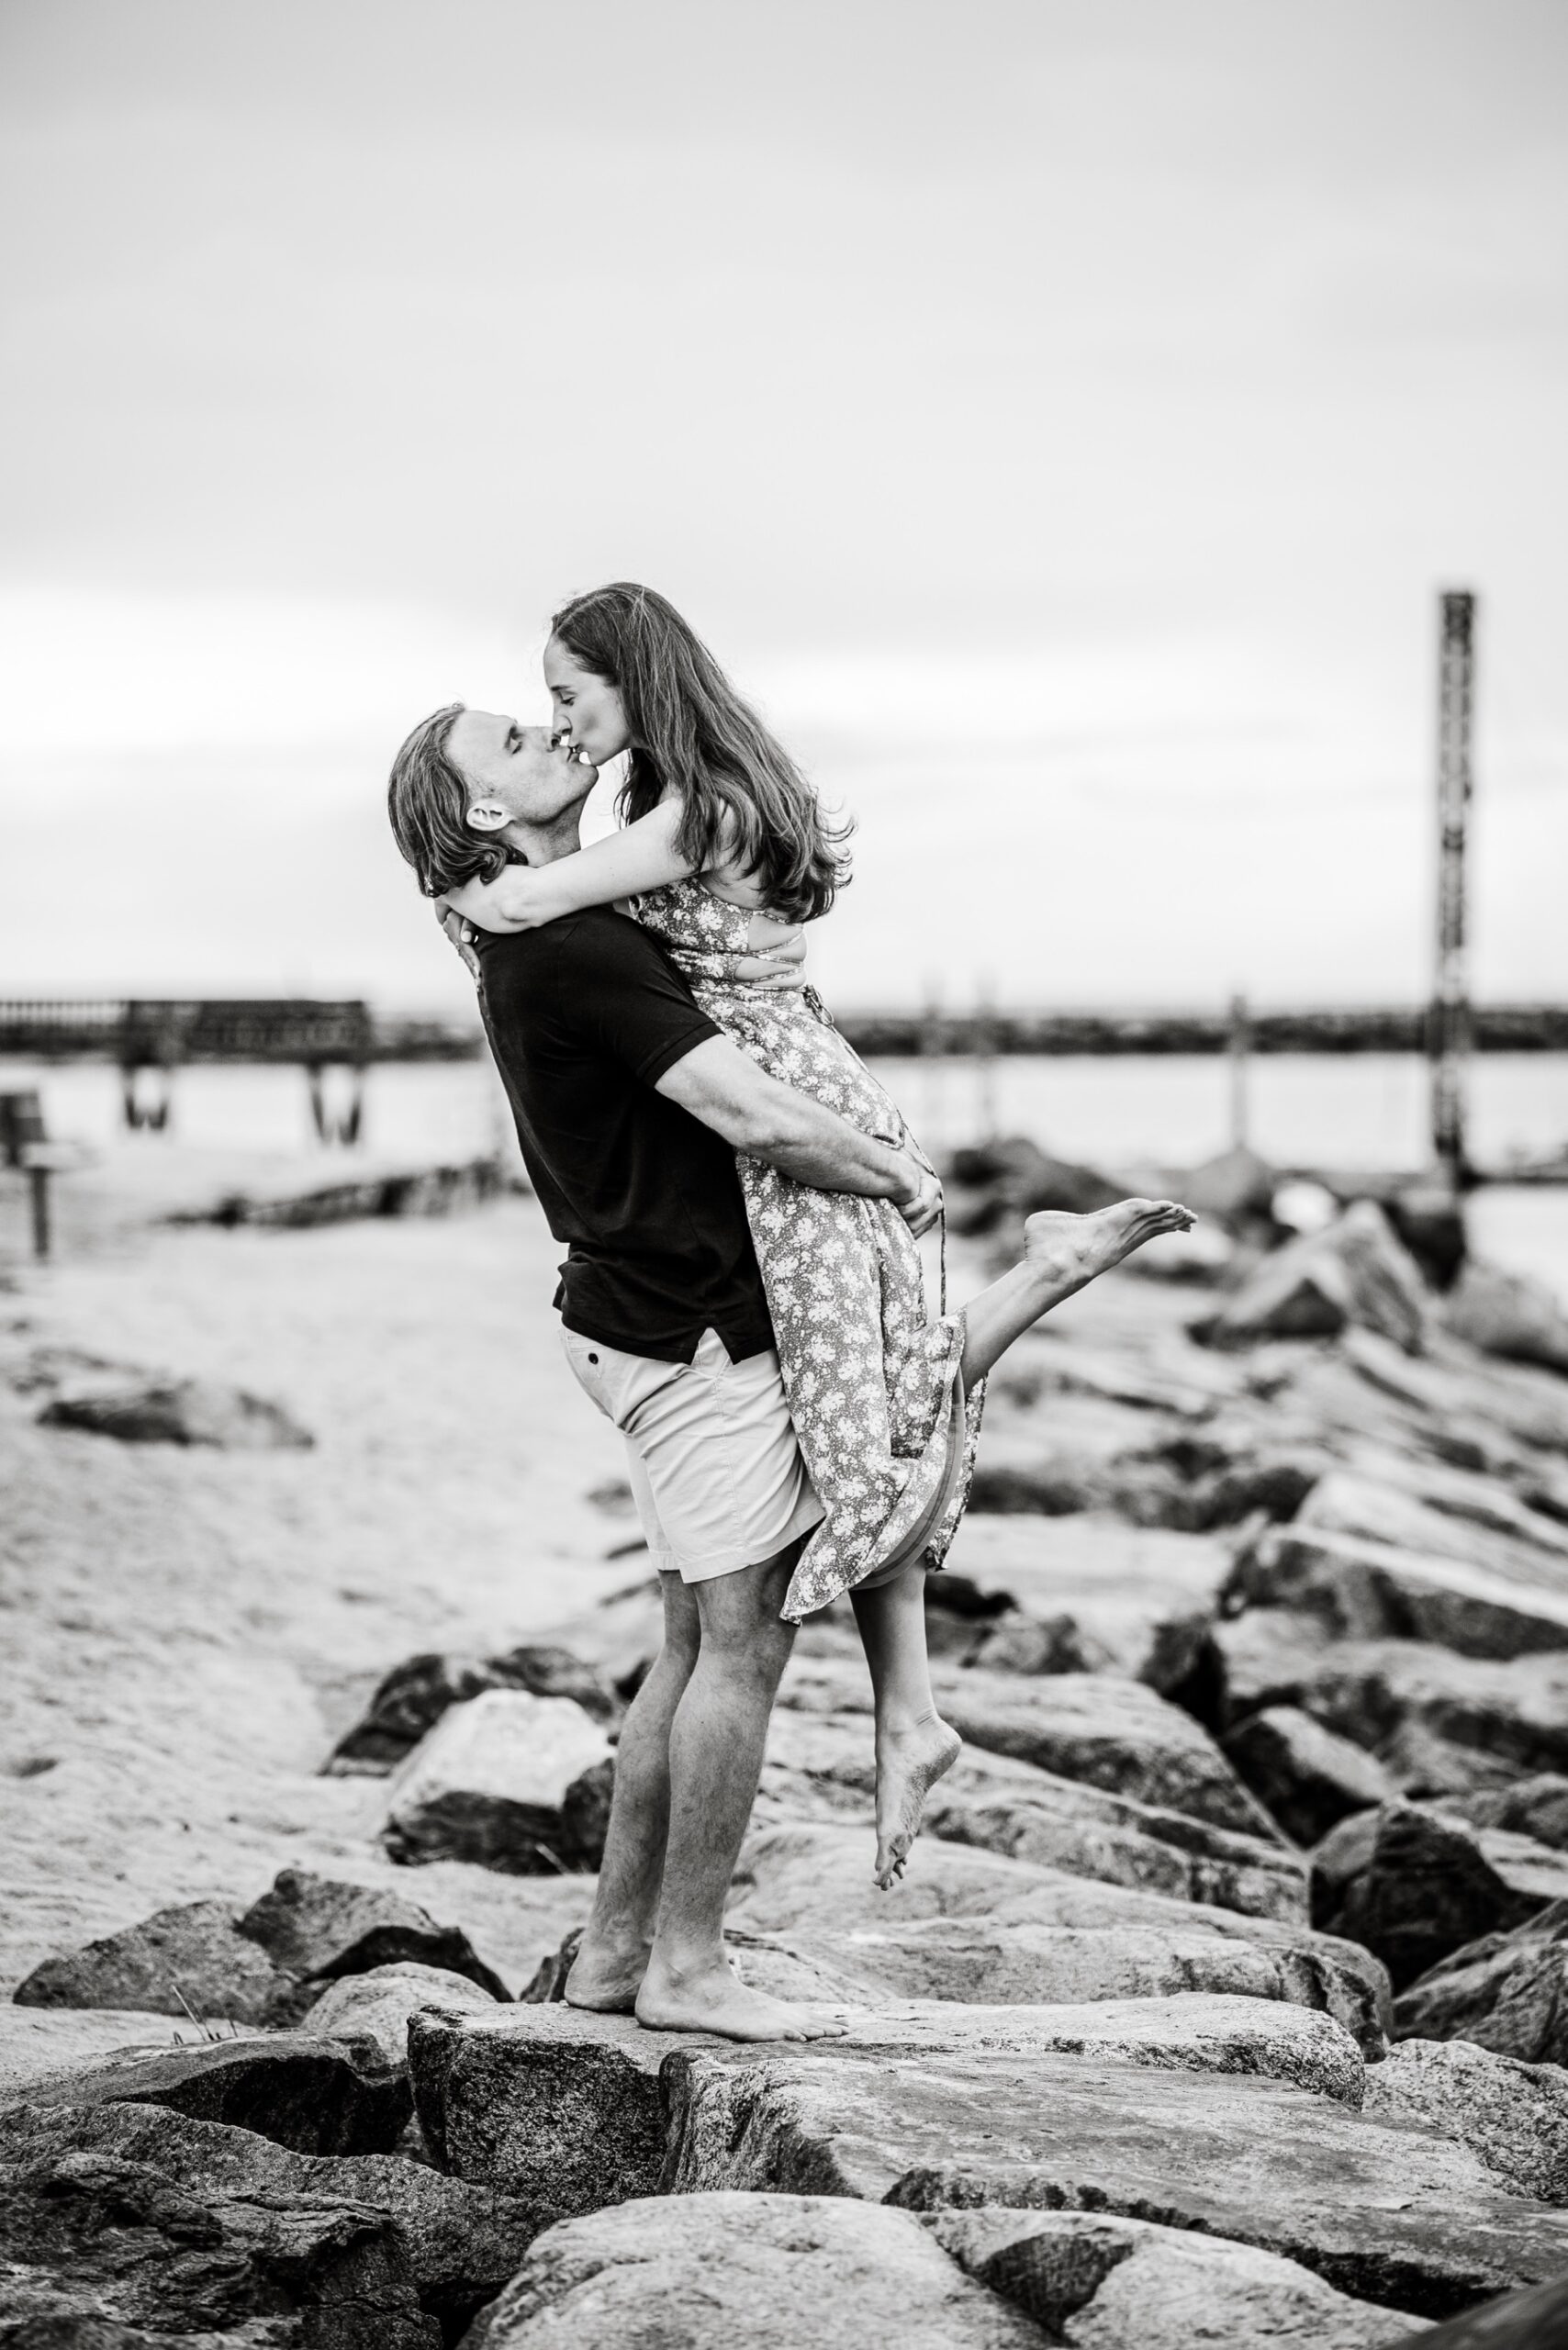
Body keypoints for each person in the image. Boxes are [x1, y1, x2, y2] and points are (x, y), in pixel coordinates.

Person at [388, 711, 1191, 2039]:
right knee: (743, 1647)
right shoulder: (576, 947)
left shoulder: (537, 930)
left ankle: (611, 1957)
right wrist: (895, 1172)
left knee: (696, 1640)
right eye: (517, 742)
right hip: (691, 1331)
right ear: (483, 814)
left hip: (641, 1317)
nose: (548, 736)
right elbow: (748, 1112)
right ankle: (688, 1967)